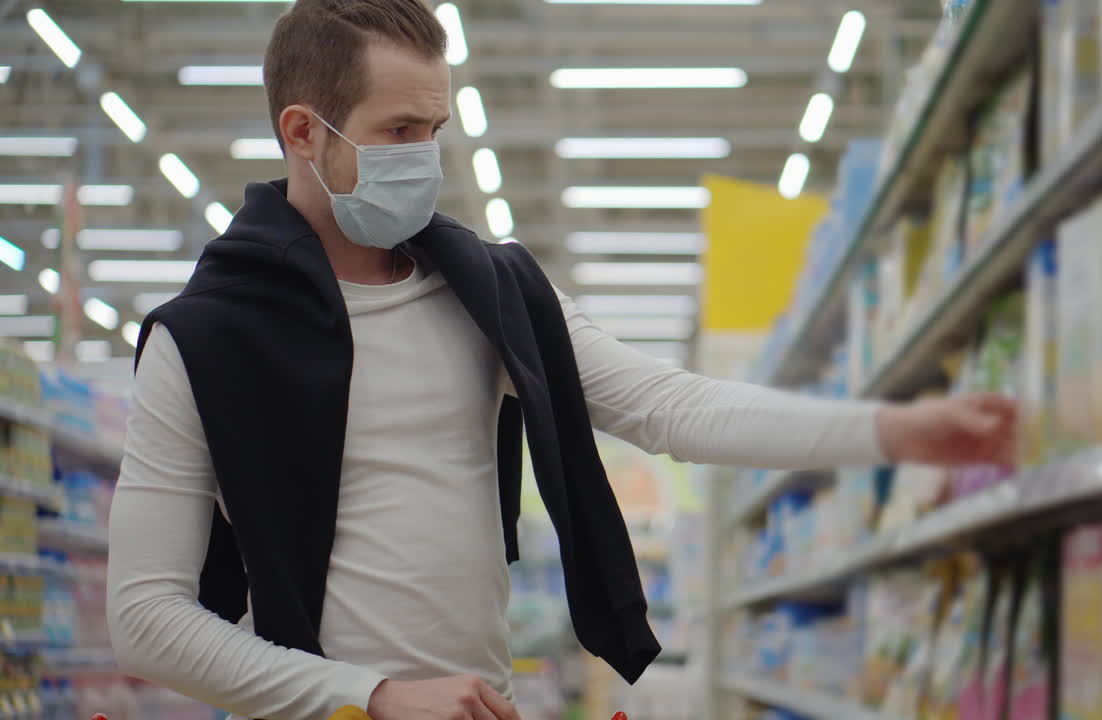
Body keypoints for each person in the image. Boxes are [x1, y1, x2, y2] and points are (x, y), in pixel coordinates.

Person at [104, 2, 1017, 720]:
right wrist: (370, 696)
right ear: (303, 132)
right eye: (398, 132)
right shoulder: (204, 341)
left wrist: (890, 431)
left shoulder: (489, 294)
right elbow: (145, 617)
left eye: (436, 128)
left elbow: (674, 407)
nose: (425, 157)